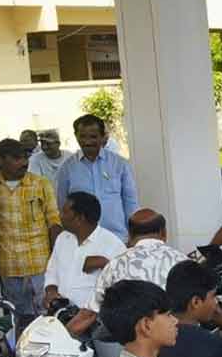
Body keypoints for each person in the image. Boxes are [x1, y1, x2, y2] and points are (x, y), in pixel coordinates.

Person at [66, 208, 190, 337]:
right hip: (178, 337)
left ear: (129, 235)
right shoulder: (181, 260)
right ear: (163, 232)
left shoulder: (115, 264)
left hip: (135, 345)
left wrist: (61, 338)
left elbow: (89, 314)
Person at [0, 137, 62, 325]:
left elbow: (54, 221)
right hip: (9, 266)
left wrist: (58, 258)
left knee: (47, 314)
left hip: (40, 264)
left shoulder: (40, 184)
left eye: (25, 157)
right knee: (17, 319)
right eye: (16, 158)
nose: (23, 162)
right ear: (0, 160)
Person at [53, 114, 138, 238]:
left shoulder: (120, 164)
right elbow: (62, 205)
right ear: (76, 136)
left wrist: (134, 235)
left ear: (103, 137)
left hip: (117, 238)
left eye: (93, 137)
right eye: (82, 136)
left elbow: (131, 202)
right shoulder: (66, 168)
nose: (87, 142)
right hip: (83, 239)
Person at [42, 191, 125, 312]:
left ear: (80, 218)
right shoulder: (63, 238)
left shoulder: (113, 245)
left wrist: (105, 264)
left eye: (65, 212)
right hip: (60, 313)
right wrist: (51, 291)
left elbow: (124, 285)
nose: (60, 216)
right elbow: (52, 271)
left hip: (93, 318)